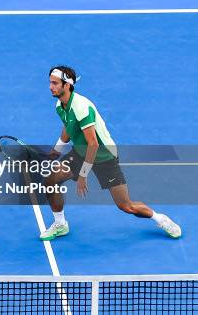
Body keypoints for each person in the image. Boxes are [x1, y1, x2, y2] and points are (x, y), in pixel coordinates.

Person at [40, 65, 181, 241]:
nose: (50, 87)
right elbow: (68, 128)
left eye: (54, 83)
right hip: (81, 152)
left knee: (126, 206)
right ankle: (60, 224)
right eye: (50, 83)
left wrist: (83, 174)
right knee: (51, 180)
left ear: (67, 85)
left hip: (104, 156)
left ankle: (160, 218)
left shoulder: (81, 107)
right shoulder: (60, 105)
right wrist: (55, 152)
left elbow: (93, 144)